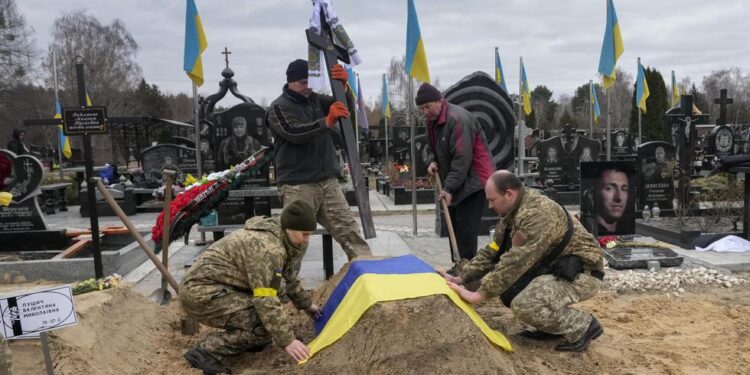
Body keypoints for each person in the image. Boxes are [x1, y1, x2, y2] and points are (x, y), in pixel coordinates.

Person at [440, 170, 605, 352]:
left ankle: (584, 326)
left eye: (492, 200)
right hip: (554, 268)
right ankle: (549, 327)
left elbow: (516, 261)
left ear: (509, 194)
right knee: (510, 291)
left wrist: (478, 295)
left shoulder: (537, 213)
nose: (489, 205)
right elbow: (494, 251)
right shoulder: (514, 211)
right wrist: (462, 277)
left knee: (525, 304)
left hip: (582, 273)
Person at [181, 201, 322, 374]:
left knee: (268, 321)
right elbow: (265, 299)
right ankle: (204, 351)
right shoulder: (268, 249)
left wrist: (306, 304)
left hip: (221, 287)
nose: (306, 240)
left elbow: (289, 277)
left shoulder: (283, 236)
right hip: (201, 293)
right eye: (304, 234)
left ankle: (249, 339)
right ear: (289, 228)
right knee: (262, 327)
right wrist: (287, 341)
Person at [266, 59, 371, 261]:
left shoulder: (315, 100)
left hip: (328, 182)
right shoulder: (278, 108)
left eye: (310, 83)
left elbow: (343, 109)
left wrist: (344, 88)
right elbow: (293, 132)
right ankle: (286, 287)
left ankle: (368, 274)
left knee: (350, 233)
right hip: (298, 185)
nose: (307, 88)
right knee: (294, 243)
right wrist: (327, 121)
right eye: (302, 83)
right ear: (290, 82)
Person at [417, 83, 495, 263]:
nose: (425, 111)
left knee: (466, 229)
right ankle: (458, 265)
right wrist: (431, 160)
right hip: (455, 180)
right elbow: (429, 147)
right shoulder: (431, 121)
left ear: (439, 101)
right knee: (454, 224)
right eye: (421, 108)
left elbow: (462, 159)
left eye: (427, 106)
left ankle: (467, 270)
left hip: (474, 180)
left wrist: (449, 188)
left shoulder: (458, 120)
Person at [595, 166, 632, 235]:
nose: (618, 197)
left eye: (624, 189)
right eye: (609, 188)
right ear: (596, 191)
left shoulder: (627, 231)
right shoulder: (587, 232)